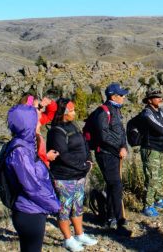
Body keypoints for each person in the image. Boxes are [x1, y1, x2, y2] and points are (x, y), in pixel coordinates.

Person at [6, 103, 61, 252]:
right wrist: (55, 205)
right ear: (28, 124)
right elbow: (32, 186)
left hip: (31, 208)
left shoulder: (24, 145)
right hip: (29, 211)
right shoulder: (21, 151)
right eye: (35, 120)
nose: (39, 122)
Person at [47, 98, 98, 251]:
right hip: (64, 177)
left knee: (77, 206)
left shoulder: (73, 126)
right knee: (65, 208)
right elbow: (63, 155)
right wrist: (83, 165)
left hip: (78, 175)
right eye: (72, 110)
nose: (74, 112)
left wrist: (88, 161)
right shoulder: (56, 132)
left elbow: (84, 144)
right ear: (64, 112)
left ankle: (79, 234)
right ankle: (67, 239)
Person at [84, 82, 131, 236]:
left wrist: (124, 146)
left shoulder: (116, 110)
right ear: (113, 96)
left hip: (115, 153)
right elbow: (104, 136)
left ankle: (111, 217)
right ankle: (117, 220)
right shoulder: (103, 112)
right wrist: (118, 149)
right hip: (105, 154)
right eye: (121, 94)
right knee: (115, 185)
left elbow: (120, 133)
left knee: (113, 185)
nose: (124, 97)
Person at [138, 89, 163, 217]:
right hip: (150, 149)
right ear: (149, 100)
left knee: (159, 175)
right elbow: (161, 128)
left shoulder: (162, 111)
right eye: (157, 97)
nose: (160, 99)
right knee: (152, 178)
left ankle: (158, 200)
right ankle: (148, 206)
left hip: (160, 148)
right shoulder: (147, 113)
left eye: (160, 97)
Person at [19, 94, 59, 167]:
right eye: (39, 107)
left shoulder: (37, 122)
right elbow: (28, 162)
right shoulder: (27, 134)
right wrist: (46, 157)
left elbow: (51, 115)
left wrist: (50, 103)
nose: (42, 109)